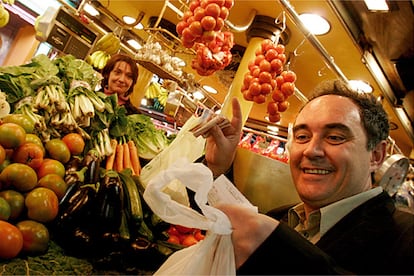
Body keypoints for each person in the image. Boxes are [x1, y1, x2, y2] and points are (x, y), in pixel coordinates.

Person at [203, 79, 414, 274]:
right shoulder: (279, 217)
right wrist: (216, 170)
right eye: (302, 137)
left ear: (375, 156)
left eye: (335, 137)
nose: (311, 151)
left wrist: (281, 252)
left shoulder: (405, 238)